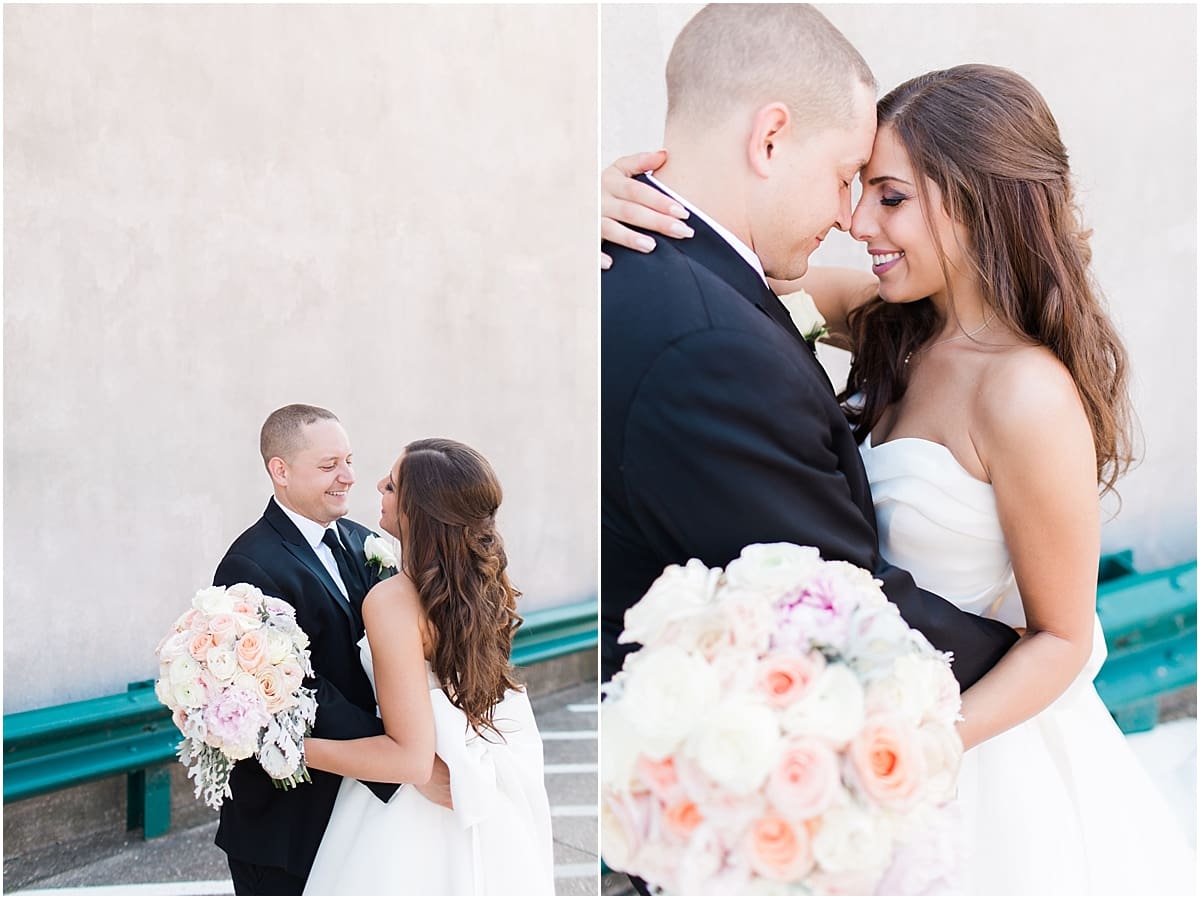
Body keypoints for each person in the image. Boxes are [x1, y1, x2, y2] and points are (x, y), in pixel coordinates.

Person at [603, 55, 1195, 894]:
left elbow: (1062, 640)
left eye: (890, 196)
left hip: (968, 749)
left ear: (979, 200)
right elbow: (734, 266)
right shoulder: (895, 322)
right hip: (864, 720)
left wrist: (910, 747)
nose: (856, 221)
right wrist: (609, 201)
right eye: (858, 188)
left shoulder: (1026, 393)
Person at [300, 437, 555, 896]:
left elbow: (410, 759)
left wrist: (290, 750)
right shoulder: (485, 582)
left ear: (419, 510)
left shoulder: (393, 601)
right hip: (486, 787)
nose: (378, 484)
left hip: (412, 813)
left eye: (392, 485)